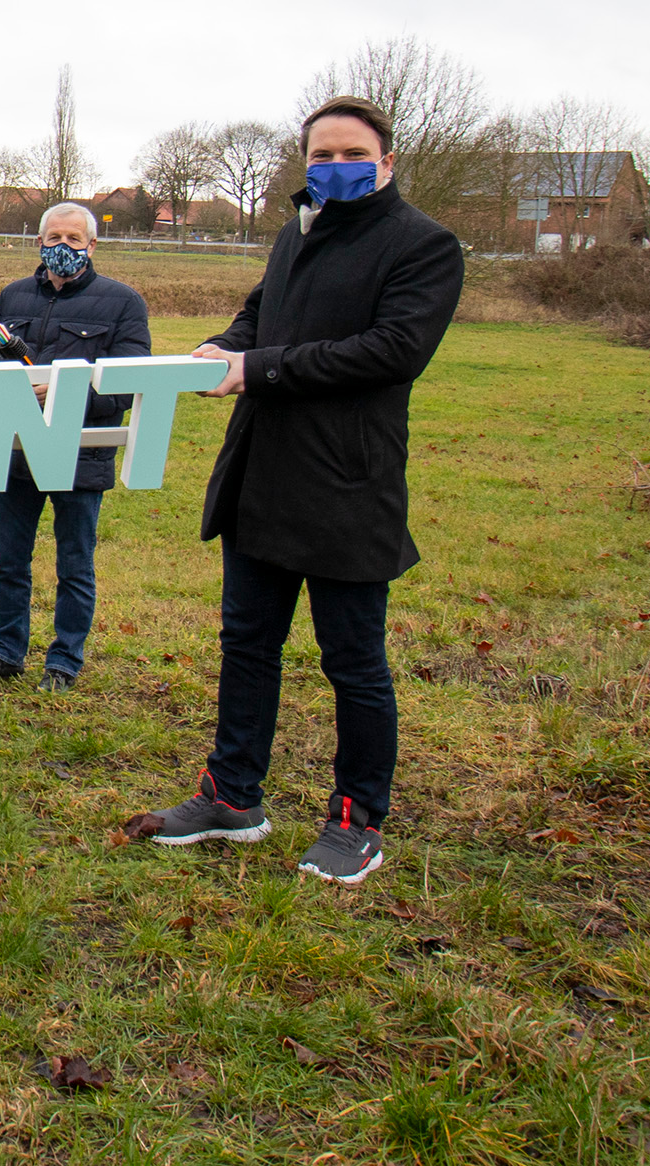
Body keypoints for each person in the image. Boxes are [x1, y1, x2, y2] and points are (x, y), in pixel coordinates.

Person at [142, 96, 464, 884]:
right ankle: (231, 796)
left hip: (347, 485)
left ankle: (356, 818)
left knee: (352, 662)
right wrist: (228, 344)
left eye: (351, 153)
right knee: (246, 644)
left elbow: (390, 350)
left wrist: (258, 368)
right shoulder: (298, 229)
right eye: (320, 155)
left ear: (386, 162)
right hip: (262, 473)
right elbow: (264, 310)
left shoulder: (423, 246)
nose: (333, 167)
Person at [0, 202, 151, 692]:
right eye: (54, 238)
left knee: (74, 564)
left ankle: (64, 661)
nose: (63, 247)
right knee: (10, 561)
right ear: (38, 242)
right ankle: (6, 652)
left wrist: (66, 397)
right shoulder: (14, 296)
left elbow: (127, 384)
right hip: (16, 452)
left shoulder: (123, 302)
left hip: (79, 454)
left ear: (91, 244)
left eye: (74, 239)